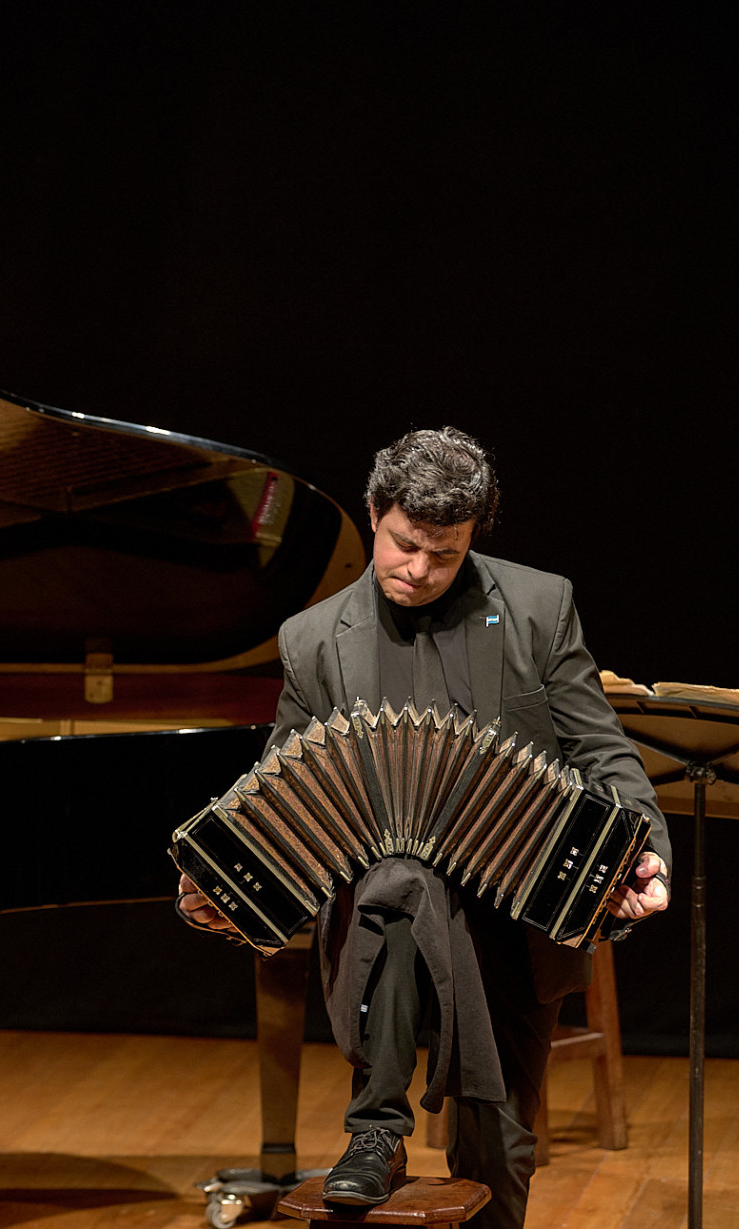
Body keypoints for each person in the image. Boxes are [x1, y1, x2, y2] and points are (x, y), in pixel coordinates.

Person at [176, 428, 670, 1229]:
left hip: (512, 924)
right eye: (405, 545)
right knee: (402, 877)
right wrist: (224, 890)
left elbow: (601, 749)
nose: (419, 569)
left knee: (500, 1158)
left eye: (445, 555)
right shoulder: (313, 640)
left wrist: (644, 851)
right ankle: (377, 1127)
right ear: (375, 513)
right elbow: (277, 795)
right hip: (380, 939)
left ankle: (386, 1134)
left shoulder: (538, 609)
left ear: (473, 537)